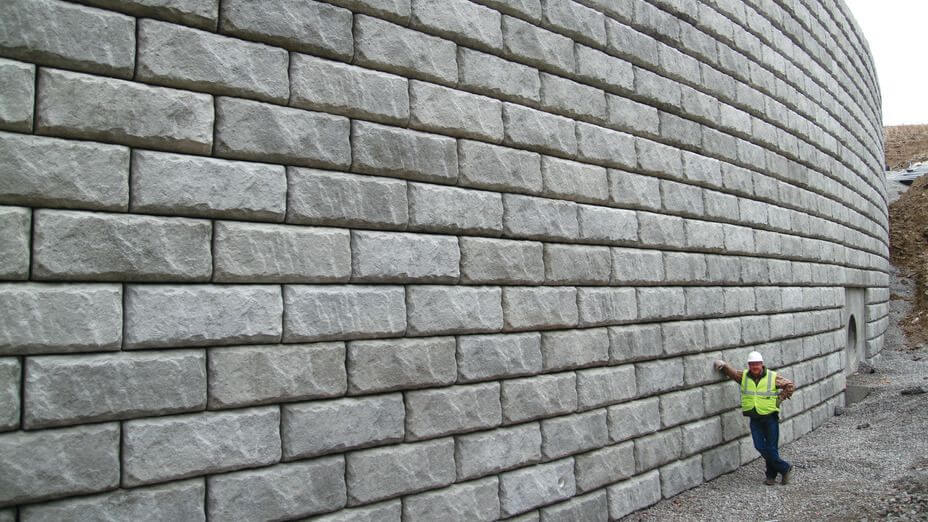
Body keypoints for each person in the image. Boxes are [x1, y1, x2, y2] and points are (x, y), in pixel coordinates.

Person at [714, 351, 795, 485]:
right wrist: (723, 366)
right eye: (752, 364)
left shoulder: (772, 377)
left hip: (770, 417)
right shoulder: (744, 376)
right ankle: (785, 468)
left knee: (771, 448)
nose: (755, 367)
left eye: (757, 364)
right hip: (755, 418)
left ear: (762, 364)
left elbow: (789, 385)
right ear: (749, 365)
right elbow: (733, 373)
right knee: (759, 446)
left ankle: (770, 476)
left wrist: (779, 399)